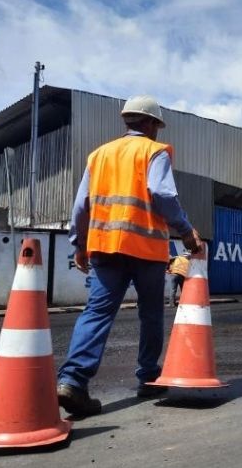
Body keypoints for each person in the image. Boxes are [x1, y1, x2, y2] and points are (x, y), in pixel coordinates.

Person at [57, 95, 202, 417]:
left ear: (128, 120)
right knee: (150, 314)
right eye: (157, 126)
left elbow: (82, 205)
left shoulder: (99, 155)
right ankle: (148, 376)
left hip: (105, 248)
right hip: (146, 250)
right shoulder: (154, 152)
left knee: (96, 313)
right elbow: (162, 193)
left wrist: (79, 244)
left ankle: (72, 381)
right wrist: (187, 231)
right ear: (150, 124)